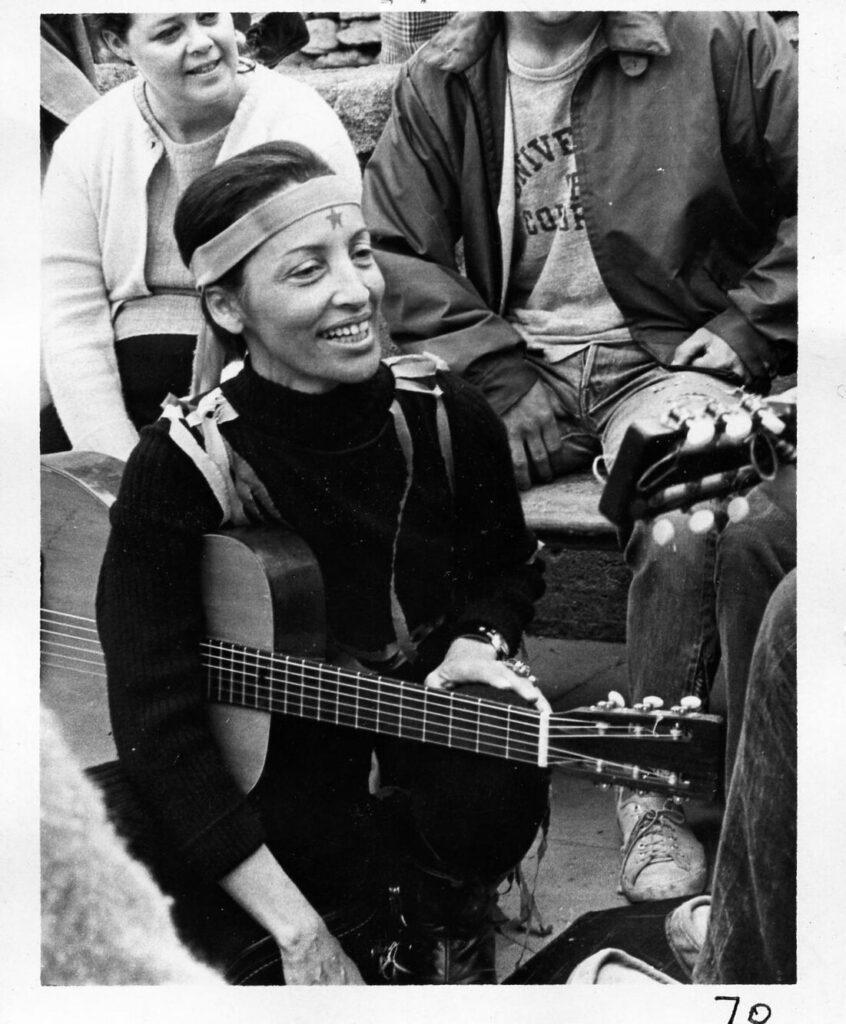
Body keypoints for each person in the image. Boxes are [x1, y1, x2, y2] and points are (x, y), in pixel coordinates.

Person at [362, 10, 797, 902]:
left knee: (689, 499)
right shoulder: (444, 75)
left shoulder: (718, 38)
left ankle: (646, 788)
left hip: (668, 352)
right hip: (513, 370)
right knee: (387, 468)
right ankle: (404, 752)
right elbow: (393, 248)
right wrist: (492, 368)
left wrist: (751, 321)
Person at [95, 140, 551, 985]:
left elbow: (507, 567)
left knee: (497, 767)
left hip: (407, 753)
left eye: (362, 254)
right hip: (260, 789)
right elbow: (154, 713)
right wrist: (303, 937)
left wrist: (480, 638)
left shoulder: (447, 416)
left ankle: (441, 922)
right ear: (230, 308)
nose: (356, 292)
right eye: (307, 271)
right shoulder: (182, 465)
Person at [41, 12, 360, 461]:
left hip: (260, 374)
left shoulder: (300, 121)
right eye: (170, 32)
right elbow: (71, 313)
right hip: (121, 380)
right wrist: (114, 461)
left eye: (209, 17)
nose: (202, 42)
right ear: (117, 44)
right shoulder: (88, 140)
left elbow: (317, 292)